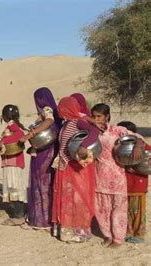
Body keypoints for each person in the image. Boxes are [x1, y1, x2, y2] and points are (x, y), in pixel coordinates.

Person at [91, 104, 145, 247]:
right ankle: (107, 236)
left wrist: (138, 145)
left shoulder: (117, 130)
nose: (97, 119)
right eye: (94, 116)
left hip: (117, 177)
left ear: (107, 116)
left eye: (99, 116)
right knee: (102, 209)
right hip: (99, 176)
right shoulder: (91, 132)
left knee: (118, 209)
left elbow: (138, 137)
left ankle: (118, 239)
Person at [52, 97, 99, 243]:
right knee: (67, 198)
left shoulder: (78, 121)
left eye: (62, 107)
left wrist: (84, 145)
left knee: (77, 198)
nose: (59, 110)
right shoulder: (66, 123)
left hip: (75, 167)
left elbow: (94, 131)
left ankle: (79, 230)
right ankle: (67, 229)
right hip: (65, 166)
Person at [20, 87, 61, 230]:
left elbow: (49, 121)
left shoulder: (47, 109)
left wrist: (30, 135)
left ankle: (44, 219)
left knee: (43, 183)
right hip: (43, 148)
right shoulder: (47, 111)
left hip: (46, 151)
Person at [117, 121, 149, 244]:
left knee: (138, 210)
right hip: (125, 184)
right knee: (126, 210)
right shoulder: (120, 147)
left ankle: (139, 234)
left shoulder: (142, 145)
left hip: (138, 184)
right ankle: (128, 232)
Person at [0, 104, 27, 226]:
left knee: (15, 186)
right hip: (10, 161)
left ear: (4, 116)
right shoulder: (11, 125)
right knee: (12, 186)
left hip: (14, 162)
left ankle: (19, 216)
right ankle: (17, 214)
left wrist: (2, 141)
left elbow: (19, 135)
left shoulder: (13, 126)